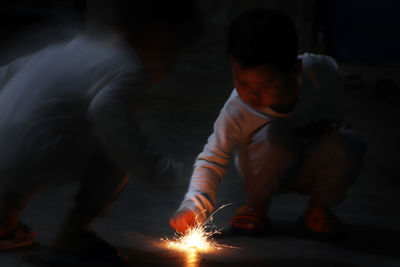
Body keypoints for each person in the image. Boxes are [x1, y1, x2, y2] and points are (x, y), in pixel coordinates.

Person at [0, 0, 199, 263]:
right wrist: (159, 170)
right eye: (176, 52)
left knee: (42, 126)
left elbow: (6, 73)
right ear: (160, 41)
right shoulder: (130, 69)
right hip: (32, 153)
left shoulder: (75, 46)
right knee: (116, 148)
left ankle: (3, 221)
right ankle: (72, 236)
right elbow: (107, 114)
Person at [170, 8, 367, 239]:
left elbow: (334, 112)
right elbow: (212, 158)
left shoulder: (322, 72)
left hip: (315, 165)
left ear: (294, 70)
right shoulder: (238, 109)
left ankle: (318, 210)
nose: (252, 95)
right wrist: (193, 206)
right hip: (264, 170)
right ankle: (257, 207)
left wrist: (332, 124)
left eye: (264, 86)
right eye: (241, 82)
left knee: (349, 142)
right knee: (272, 136)